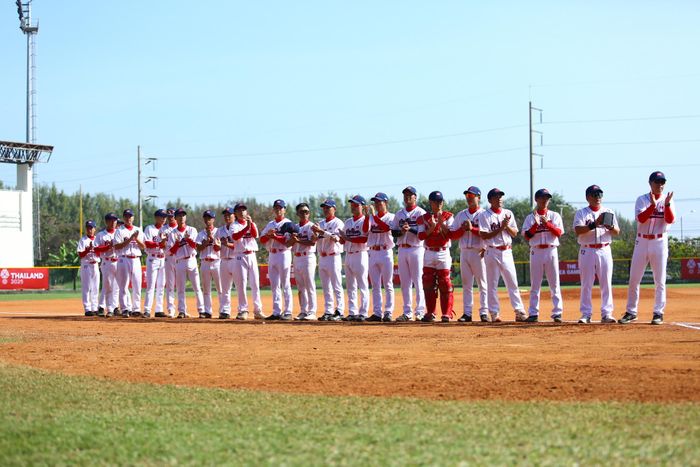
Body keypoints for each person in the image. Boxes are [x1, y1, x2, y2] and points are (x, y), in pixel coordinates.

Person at [621, 171, 675, 325]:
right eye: (657, 182)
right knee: (634, 279)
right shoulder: (642, 199)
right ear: (650, 183)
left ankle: (658, 313)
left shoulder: (668, 200)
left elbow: (670, 219)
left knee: (660, 280)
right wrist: (652, 205)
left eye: (662, 182)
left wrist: (667, 205)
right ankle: (631, 312)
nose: (660, 185)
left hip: (659, 241)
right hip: (642, 241)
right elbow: (641, 218)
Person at [573, 185, 620, 324]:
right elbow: (578, 230)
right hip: (587, 249)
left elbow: (617, 232)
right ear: (587, 197)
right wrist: (595, 224)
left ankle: (607, 314)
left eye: (600, 194)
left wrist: (610, 227)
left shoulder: (608, 212)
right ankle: (586, 314)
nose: (598, 197)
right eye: (594, 195)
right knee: (586, 283)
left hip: (604, 249)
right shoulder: (581, 213)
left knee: (606, 283)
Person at [479, 188, 527, 322]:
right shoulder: (484, 215)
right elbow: (484, 235)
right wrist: (501, 228)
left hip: (506, 251)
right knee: (492, 284)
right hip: (492, 251)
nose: (499, 198)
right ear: (490, 200)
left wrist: (506, 227)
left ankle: (519, 311)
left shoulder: (508, 213)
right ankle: (494, 313)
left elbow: (514, 233)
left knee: (512, 283)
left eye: (500, 196)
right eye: (496, 196)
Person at [521, 189, 564, 323]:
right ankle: (533, 313)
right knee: (535, 284)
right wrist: (536, 224)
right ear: (536, 199)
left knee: (554, 284)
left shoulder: (554, 215)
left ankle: (557, 313)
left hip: (551, 250)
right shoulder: (530, 218)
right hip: (536, 251)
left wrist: (547, 224)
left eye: (547, 198)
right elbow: (527, 236)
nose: (545, 200)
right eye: (542, 197)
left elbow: (559, 233)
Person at [451, 186, 489, 322]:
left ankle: (484, 312)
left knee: (482, 284)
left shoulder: (484, 214)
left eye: (472, 196)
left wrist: (471, 228)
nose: (469, 198)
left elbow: (487, 234)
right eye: (467, 196)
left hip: (479, 251)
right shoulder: (461, 215)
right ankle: (467, 313)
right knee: (466, 285)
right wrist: (463, 229)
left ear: (479, 197)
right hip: (464, 252)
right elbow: (452, 235)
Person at [417, 191, 455, 322]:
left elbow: (450, 234)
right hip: (429, 251)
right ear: (430, 203)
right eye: (435, 201)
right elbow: (420, 236)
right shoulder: (424, 218)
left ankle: (447, 313)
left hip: (443, 251)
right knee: (428, 282)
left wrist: (441, 223)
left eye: (440, 201)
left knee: (445, 282)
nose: (438, 204)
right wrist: (432, 227)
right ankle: (431, 312)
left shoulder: (448, 216)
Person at [392, 186, 427, 321]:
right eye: (405, 195)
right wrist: (401, 232)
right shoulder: (399, 214)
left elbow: (423, 232)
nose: (407, 197)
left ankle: (420, 311)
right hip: (402, 249)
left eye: (410, 195)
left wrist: (410, 229)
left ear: (415, 197)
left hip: (416, 248)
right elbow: (393, 232)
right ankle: (407, 312)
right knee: (405, 282)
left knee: (418, 281)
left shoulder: (421, 213)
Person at [229, 203, 265, 320]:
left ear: (246, 212)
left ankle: (258, 310)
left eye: (243, 210)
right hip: (240, 255)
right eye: (239, 210)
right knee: (241, 284)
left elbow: (255, 235)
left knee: (255, 284)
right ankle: (243, 310)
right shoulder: (234, 225)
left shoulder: (251, 223)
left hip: (252, 255)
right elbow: (235, 237)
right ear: (235, 213)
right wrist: (246, 227)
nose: (242, 212)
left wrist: (251, 224)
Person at [166, 208, 205, 318]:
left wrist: (188, 239)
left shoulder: (192, 230)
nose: (181, 217)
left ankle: (201, 310)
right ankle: (182, 311)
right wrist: (177, 243)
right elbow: (171, 251)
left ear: (185, 217)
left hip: (191, 260)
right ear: (175, 218)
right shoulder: (172, 233)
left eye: (183, 215)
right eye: (179, 215)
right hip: (180, 261)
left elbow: (195, 246)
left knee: (197, 287)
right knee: (180, 288)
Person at [312, 199, 345, 321]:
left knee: (336, 285)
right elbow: (314, 240)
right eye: (324, 207)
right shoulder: (320, 223)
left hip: (333, 256)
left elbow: (336, 238)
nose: (326, 209)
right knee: (326, 286)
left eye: (328, 207)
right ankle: (328, 311)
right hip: (322, 257)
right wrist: (315, 234)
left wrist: (321, 231)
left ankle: (340, 311)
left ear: (334, 209)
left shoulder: (338, 223)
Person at [261, 200, 294, 320]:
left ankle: (288, 311)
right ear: (273, 210)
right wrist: (268, 235)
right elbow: (262, 240)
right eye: (276, 208)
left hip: (283, 253)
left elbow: (288, 241)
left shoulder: (288, 224)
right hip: (272, 254)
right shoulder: (270, 224)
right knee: (274, 285)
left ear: (285, 209)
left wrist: (275, 236)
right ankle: (276, 311)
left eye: (280, 208)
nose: (278, 210)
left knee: (285, 284)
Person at [340, 195, 371, 321]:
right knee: (350, 286)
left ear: (362, 207)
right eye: (352, 205)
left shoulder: (365, 220)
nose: (353, 207)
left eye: (356, 205)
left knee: (362, 285)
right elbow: (343, 241)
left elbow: (365, 239)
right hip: (348, 255)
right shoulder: (348, 222)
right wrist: (341, 238)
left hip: (360, 254)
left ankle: (363, 313)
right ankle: (352, 312)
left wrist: (347, 238)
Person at [366, 193, 395, 322]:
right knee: (375, 285)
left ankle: (388, 311)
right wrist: (367, 217)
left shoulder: (391, 217)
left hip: (385, 251)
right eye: (375, 202)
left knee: (388, 284)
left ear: (386, 203)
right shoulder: (371, 218)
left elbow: (387, 228)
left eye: (380, 202)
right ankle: (377, 313)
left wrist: (373, 217)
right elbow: (364, 229)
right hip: (373, 252)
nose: (377, 204)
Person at [288, 203, 319, 321]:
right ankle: (303, 311)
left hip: (308, 257)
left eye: (306, 211)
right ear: (297, 213)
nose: (304, 214)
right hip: (296, 257)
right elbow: (288, 244)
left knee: (309, 285)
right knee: (300, 286)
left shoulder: (312, 226)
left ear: (309, 213)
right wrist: (292, 239)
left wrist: (298, 241)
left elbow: (312, 242)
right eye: (301, 211)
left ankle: (312, 311)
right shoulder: (294, 227)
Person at [113, 209, 145, 317]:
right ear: (123, 218)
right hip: (124, 258)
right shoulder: (119, 231)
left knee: (137, 285)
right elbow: (117, 246)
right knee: (123, 285)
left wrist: (136, 239)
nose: (128, 218)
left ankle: (136, 309)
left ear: (133, 218)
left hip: (136, 259)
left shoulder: (138, 230)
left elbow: (143, 246)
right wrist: (130, 239)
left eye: (130, 216)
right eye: (126, 216)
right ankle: (125, 308)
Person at [142, 209, 168, 318]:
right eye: (162, 216)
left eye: (165, 217)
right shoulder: (150, 228)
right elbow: (147, 243)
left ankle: (159, 310)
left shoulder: (166, 229)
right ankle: (147, 310)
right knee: (151, 285)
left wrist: (163, 243)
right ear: (156, 217)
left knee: (161, 286)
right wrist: (160, 243)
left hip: (164, 259)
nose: (164, 219)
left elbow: (168, 244)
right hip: (153, 258)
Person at [196, 210, 222, 319]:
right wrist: (206, 241)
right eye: (206, 218)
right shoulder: (200, 234)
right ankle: (207, 311)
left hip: (217, 262)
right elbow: (198, 248)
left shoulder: (218, 232)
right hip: (205, 262)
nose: (208, 220)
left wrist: (212, 238)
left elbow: (218, 248)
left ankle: (223, 311)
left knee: (220, 289)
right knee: (206, 290)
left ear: (213, 219)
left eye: (210, 218)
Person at [94, 212, 120, 317]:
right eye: (111, 220)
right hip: (107, 261)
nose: (113, 222)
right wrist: (107, 247)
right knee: (108, 285)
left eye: (115, 220)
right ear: (106, 221)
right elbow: (96, 249)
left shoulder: (119, 233)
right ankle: (108, 308)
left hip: (118, 261)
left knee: (117, 287)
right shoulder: (101, 235)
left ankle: (114, 307)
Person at [77, 220, 100, 316]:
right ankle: (87, 309)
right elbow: (80, 255)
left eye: (91, 228)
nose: (89, 230)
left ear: (95, 229)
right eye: (88, 228)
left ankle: (95, 308)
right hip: (86, 265)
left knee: (95, 287)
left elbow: (100, 252)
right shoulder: (83, 240)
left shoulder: (98, 239)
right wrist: (87, 250)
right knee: (86, 287)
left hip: (95, 264)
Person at [160, 208, 179, 318]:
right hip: (169, 258)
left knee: (181, 286)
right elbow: (161, 245)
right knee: (170, 285)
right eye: (169, 216)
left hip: (180, 258)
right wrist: (163, 241)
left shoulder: (180, 228)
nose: (171, 217)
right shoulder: (163, 229)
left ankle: (182, 309)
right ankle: (171, 309)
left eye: (173, 215)